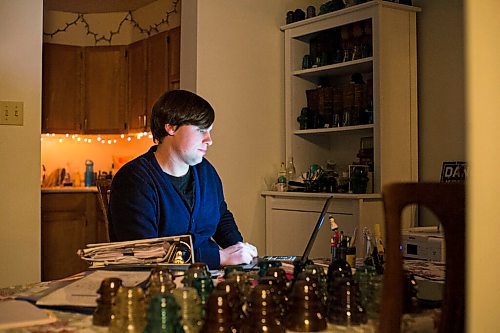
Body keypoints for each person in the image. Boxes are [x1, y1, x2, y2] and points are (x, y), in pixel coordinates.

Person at [109, 89, 258, 269]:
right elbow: (144, 253)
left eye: (209, 131)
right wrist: (218, 257)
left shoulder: (206, 171)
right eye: (201, 130)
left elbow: (221, 217)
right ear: (171, 127)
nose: (209, 140)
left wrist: (239, 250)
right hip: (158, 284)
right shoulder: (134, 180)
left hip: (206, 278)